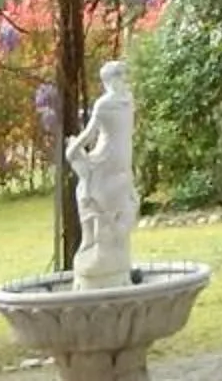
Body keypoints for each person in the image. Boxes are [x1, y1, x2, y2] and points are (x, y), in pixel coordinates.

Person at [66, 59, 138, 287]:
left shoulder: (105, 104)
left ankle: (96, 246)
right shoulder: (128, 101)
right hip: (123, 159)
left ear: (108, 80)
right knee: (110, 200)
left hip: (108, 158)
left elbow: (88, 135)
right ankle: (108, 251)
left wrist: (72, 149)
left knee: (89, 189)